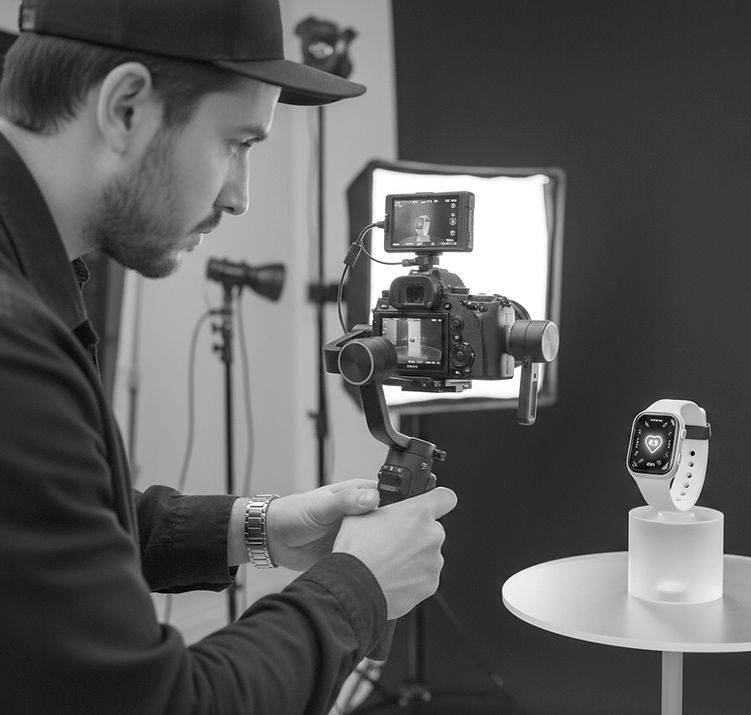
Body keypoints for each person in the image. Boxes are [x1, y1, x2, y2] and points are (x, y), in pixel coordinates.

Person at [0, 0, 457, 713]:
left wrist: (260, 527)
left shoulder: (27, 283)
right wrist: (358, 587)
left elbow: (60, 528)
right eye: (238, 142)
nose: (240, 196)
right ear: (124, 108)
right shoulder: (14, 348)